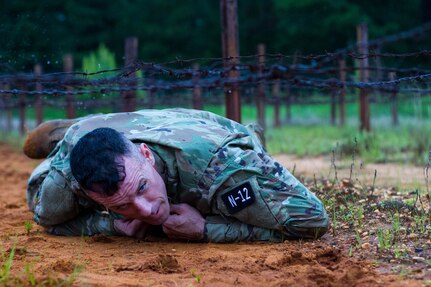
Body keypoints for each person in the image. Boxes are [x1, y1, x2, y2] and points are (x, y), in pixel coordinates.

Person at [25, 108, 329, 242]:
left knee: (247, 150)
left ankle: (249, 135)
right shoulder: (70, 175)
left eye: (142, 187)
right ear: (89, 195)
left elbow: (312, 221)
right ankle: (87, 127)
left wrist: (207, 229)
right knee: (41, 180)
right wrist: (109, 225)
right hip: (102, 135)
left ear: (146, 155)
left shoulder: (221, 169)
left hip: (205, 136)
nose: (146, 210)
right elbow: (47, 220)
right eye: (122, 205)